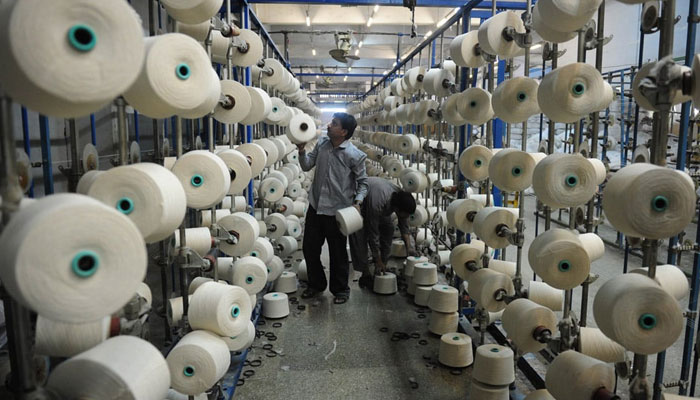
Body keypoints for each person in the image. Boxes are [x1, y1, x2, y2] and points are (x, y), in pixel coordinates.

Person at [297, 112, 368, 304]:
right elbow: (306, 166)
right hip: (316, 206)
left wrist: (358, 202)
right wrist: (302, 151)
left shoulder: (355, 156)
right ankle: (316, 285)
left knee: (338, 253)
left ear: (343, 132)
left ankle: (340, 290)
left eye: (334, 124)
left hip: (337, 211)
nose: (329, 125)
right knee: (310, 249)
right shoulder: (322, 144)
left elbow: (363, 183)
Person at [348, 177, 417, 288]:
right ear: (398, 210)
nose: (407, 217)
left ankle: (381, 266)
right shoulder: (378, 202)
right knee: (359, 238)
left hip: (380, 203)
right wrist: (377, 258)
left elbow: (404, 225)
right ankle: (365, 274)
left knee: (388, 229)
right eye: (406, 215)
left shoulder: (401, 199)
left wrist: (409, 247)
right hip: (361, 204)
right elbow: (373, 234)